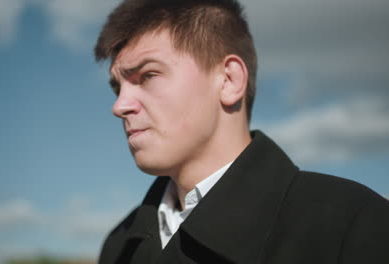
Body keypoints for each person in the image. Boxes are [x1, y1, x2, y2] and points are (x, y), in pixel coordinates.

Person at [93, 0, 389, 264]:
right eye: (118, 88)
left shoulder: (354, 224)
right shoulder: (119, 244)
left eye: (148, 76)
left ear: (229, 80)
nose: (120, 106)